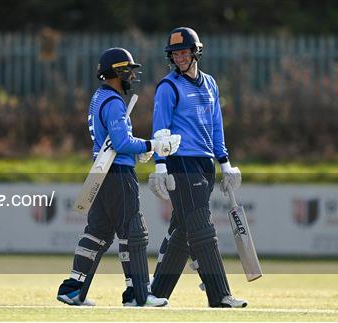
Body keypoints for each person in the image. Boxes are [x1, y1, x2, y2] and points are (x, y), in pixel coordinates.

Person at [57, 47, 180, 307]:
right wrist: (152, 146)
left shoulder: (98, 97)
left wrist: (139, 150)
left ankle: (72, 288)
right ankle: (137, 294)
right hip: (118, 174)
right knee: (134, 232)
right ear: (118, 72)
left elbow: (116, 141)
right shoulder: (113, 102)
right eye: (129, 71)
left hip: (102, 172)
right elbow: (122, 142)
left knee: (98, 232)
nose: (132, 76)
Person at [147, 27, 248, 308]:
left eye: (184, 52)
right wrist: (160, 167)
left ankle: (155, 293)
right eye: (175, 53)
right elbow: (160, 129)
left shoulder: (211, 84)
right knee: (202, 227)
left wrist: (225, 163)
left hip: (205, 164)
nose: (179, 58)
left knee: (183, 230)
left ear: (195, 52)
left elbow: (216, 127)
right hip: (180, 163)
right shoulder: (168, 87)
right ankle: (220, 294)